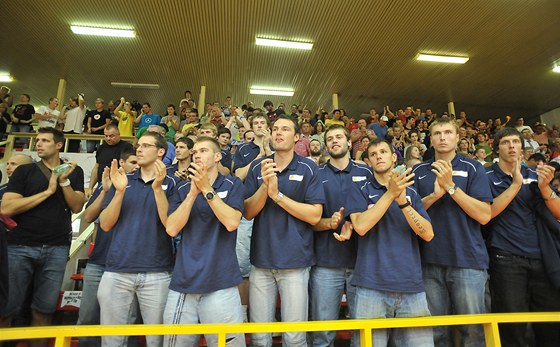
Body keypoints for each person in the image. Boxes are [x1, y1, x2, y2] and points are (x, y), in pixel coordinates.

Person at [244, 116, 325, 347]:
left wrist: (278, 196)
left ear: (297, 137)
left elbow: (315, 215)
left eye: (285, 129)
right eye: (275, 129)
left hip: (295, 262)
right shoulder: (258, 167)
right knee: (260, 337)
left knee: (295, 337)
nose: (278, 133)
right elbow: (248, 212)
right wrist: (265, 184)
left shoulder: (309, 167)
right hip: (261, 261)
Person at [0, 128, 85, 347]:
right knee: (7, 307)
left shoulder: (74, 172)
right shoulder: (24, 172)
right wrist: (47, 192)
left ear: (58, 145)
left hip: (56, 248)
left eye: (45, 140)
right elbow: (7, 207)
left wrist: (63, 182)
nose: (38, 144)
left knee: (44, 309)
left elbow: (76, 206)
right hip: (20, 246)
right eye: (37, 140)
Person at [412, 118, 492, 347]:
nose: (442, 137)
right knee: (436, 333)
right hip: (429, 261)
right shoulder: (418, 171)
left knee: (474, 333)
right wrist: (434, 195)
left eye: (448, 132)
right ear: (431, 139)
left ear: (458, 138)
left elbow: (484, 215)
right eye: (437, 133)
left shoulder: (473, 167)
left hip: (468, 260)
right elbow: (409, 214)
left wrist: (451, 187)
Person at [346, 138, 434, 346]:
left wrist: (403, 202)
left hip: (411, 286)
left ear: (394, 157)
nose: (379, 157)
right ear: (369, 161)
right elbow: (360, 226)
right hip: (370, 285)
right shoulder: (360, 189)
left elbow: (428, 234)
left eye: (384, 152)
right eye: (374, 154)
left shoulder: (411, 192)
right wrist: (390, 194)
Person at [164, 137, 246, 346]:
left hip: (222, 281)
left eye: (203, 151)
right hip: (184, 281)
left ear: (218, 156)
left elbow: (231, 222)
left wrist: (207, 189)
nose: (197, 155)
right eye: (195, 152)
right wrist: (193, 193)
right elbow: (172, 228)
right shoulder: (182, 189)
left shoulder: (233, 184)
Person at [97, 131, 175, 347]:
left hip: (157, 271)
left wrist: (158, 188)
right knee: (112, 341)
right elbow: (105, 224)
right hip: (117, 270)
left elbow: (171, 226)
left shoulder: (173, 183)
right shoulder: (122, 180)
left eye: (146, 146)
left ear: (161, 152)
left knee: (157, 341)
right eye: (138, 145)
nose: (139, 149)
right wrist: (120, 192)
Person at [485, 127, 560, 347]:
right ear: (496, 148)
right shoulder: (487, 177)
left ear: (522, 147)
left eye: (516, 142)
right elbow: (486, 215)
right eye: (506, 142)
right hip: (505, 256)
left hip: (541, 257)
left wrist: (546, 188)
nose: (511, 146)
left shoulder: (536, 176)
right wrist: (516, 184)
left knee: (550, 323)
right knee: (512, 323)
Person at [311, 125, 373, 347]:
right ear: (326, 145)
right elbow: (307, 220)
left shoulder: (366, 172)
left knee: (364, 334)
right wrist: (330, 223)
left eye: (339, 137)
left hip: (362, 263)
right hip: (326, 263)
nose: (334, 141)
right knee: (322, 335)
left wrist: (355, 225)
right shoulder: (316, 175)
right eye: (330, 138)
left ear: (349, 142)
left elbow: (377, 213)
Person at [77, 148, 139, 347]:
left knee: (127, 322)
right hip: (99, 261)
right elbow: (88, 217)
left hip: (127, 264)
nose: (137, 166)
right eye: (133, 162)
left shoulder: (143, 186)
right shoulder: (107, 186)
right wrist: (105, 191)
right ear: (122, 163)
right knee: (87, 317)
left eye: (138, 163)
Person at [86, 124, 134, 198]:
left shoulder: (127, 147)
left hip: (119, 187)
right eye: (106, 136)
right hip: (101, 186)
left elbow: (131, 169)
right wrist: (90, 188)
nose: (108, 138)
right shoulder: (101, 148)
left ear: (119, 135)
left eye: (111, 136)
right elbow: (96, 168)